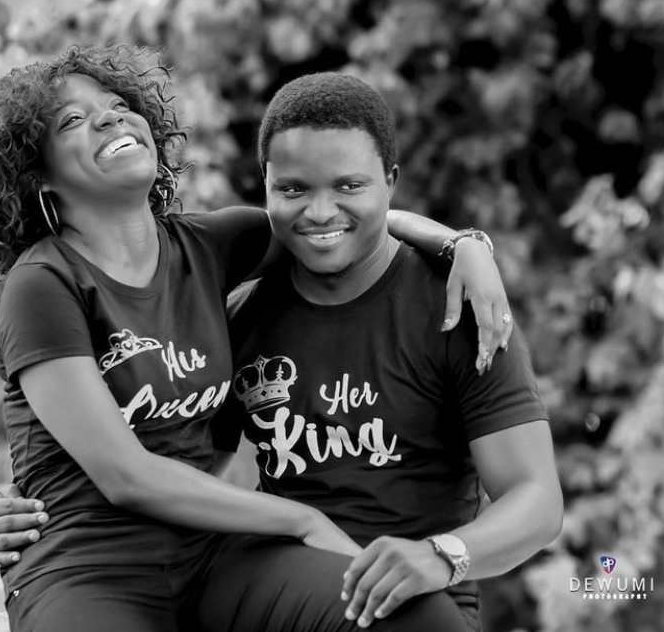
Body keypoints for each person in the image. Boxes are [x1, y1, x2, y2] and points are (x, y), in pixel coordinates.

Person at [0, 44, 511, 632]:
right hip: (86, 567)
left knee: (409, 613)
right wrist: (299, 520)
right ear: (38, 175)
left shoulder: (207, 247)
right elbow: (126, 476)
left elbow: (338, 217)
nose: (108, 118)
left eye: (117, 105)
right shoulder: (42, 283)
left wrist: (462, 244)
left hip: (210, 557)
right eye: (72, 121)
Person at [212, 72, 563, 631]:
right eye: (293, 189)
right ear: (267, 186)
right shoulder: (240, 316)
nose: (320, 212)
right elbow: (185, 476)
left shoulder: (460, 309)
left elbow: (537, 502)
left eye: (349, 186)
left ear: (390, 182)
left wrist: (439, 555)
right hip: (285, 603)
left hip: (418, 608)